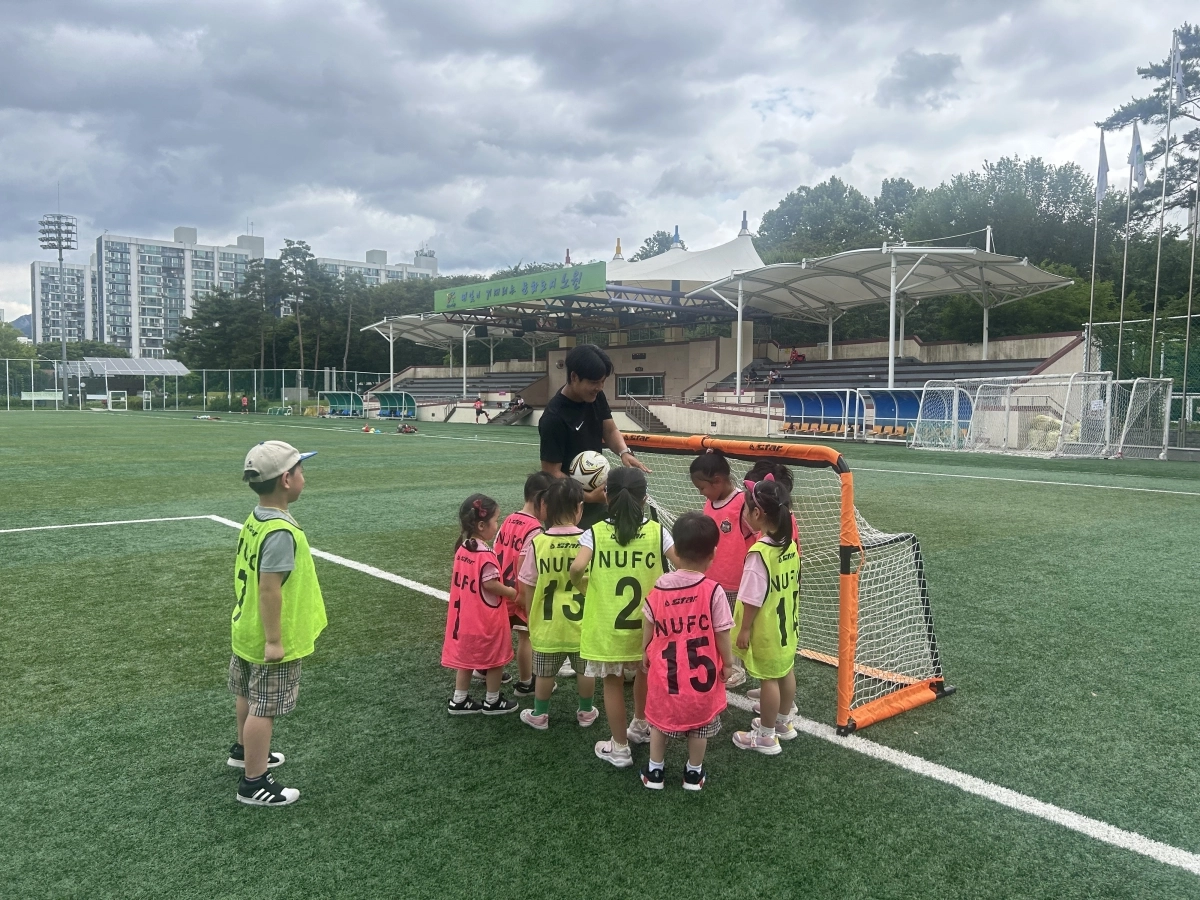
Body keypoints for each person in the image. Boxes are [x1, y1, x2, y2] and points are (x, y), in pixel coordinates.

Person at [229, 440, 327, 807]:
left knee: (245, 694)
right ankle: (253, 782)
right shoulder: (281, 532)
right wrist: (275, 640)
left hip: (245, 628)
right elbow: (270, 590)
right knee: (264, 706)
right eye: (301, 470)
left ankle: (244, 751)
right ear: (287, 480)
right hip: (268, 635)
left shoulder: (257, 519)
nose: (304, 476)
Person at [570, 467, 679, 768]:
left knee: (613, 681)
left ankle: (619, 748)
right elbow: (684, 563)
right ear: (645, 499)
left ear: (605, 495)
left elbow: (577, 569)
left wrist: (584, 587)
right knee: (644, 672)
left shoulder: (594, 533)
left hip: (609, 627)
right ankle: (640, 724)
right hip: (649, 627)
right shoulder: (659, 532)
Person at [640, 513, 735, 791]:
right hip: (701, 681)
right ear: (714, 553)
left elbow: (649, 621)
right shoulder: (713, 591)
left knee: (659, 723)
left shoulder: (659, 586)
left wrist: (645, 649)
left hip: (666, 676)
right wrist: (728, 663)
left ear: (676, 552)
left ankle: (655, 771)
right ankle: (693, 773)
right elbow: (722, 632)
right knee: (700, 727)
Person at [516, 478, 599, 730]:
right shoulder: (589, 542)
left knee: (544, 673)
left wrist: (532, 617)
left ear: (546, 509)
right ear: (579, 508)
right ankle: (586, 712)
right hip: (583, 623)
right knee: (586, 670)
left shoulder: (538, 543)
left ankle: (540, 715)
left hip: (548, 623)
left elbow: (528, 584)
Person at [539, 343, 650, 531]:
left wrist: (624, 452)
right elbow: (552, 472)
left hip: (598, 496)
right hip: (566, 508)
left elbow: (610, 429)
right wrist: (586, 497)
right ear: (574, 377)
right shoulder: (553, 418)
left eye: (602, 381)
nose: (599, 387)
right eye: (593, 382)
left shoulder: (596, 397)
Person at [731, 477, 800, 755]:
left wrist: (745, 629)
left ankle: (767, 736)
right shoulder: (790, 546)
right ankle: (784, 722)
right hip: (788, 627)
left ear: (757, 514)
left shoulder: (759, 554)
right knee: (786, 671)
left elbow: (751, 598)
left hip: (767, 629)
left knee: (768, 679)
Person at [443, 494, 519, 716]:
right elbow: (491, 584)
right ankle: (492, 701)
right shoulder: (485, 554)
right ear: (482, 524)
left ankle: (459, 699)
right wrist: (511, 592)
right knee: (496, 659)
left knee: (465, 661)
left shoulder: (463, 549)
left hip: (463, 617)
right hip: (485, 619)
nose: (497, 526)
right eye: (496, 520)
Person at [689, 449, 750, 689]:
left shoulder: (742, 502)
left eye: (702, 488)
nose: (701, 493)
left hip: (737, 580)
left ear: (719, 481)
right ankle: (719, 662)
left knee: (732, 627)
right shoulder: (709, 503)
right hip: (711, 579)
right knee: (715, 624)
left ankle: (737, 668)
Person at [495, 471, 555, 692]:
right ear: (542, 500)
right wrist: (523, 594)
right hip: (520, 593)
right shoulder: (535, 529)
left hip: (501, 588)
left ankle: (482, 670)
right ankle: (526, 681)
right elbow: (524, 563)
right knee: (526, 637)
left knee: (498, 633)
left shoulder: (509, 519)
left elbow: (497, 549)